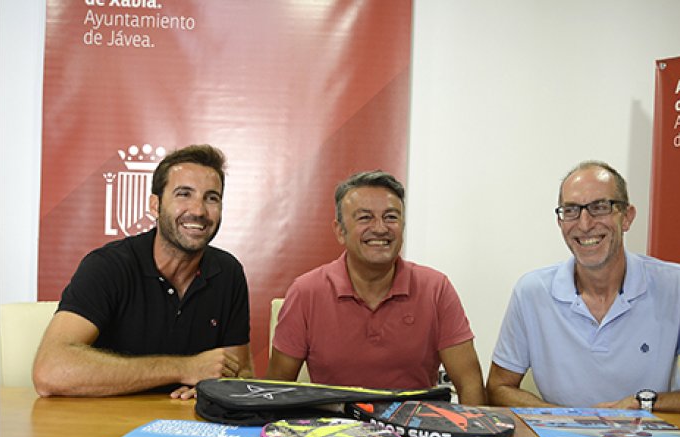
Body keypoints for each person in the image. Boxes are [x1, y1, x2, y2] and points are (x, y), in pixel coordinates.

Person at [486, 161, 680, 416]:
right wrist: (566, 420)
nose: (584, 224)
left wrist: (643, 403)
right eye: (571, 210)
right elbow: (498, 389)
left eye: (600, 207)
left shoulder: (678, 285)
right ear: (560, 222)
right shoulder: (531, 292)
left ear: (627, 217)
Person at [33, 144, 252, 399]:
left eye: (211, 198)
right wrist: (185, 369)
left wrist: (212, 388)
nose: (198, 210)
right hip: (102, 427)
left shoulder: (228, 272)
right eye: (184, 194)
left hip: (189, 428)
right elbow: (50, 371)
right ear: (154, 205)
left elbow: (241, 371)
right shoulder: (108, 266)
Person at [265, 170, 486, 405]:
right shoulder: (306, 292)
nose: (380, 228)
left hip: (416, 431)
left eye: (391, 217)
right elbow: (276, 389)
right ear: (340, 231)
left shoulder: (436, 288)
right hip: (331, 432)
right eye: (365, 218)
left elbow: (469, 382)